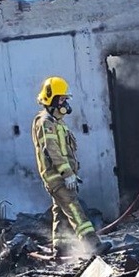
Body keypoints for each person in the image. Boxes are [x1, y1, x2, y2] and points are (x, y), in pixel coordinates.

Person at [31, 76, 110, 258]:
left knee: (60, 210)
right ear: (51, 100)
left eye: (65, 99)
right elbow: (52, 149)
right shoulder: (45, 122)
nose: (65, 104)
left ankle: (60, 246)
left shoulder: (56, 122)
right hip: (57, 176)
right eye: (62, 100)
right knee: (75, 208)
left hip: (61, 176)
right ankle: (93, 245)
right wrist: (66, 173)